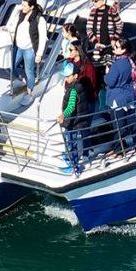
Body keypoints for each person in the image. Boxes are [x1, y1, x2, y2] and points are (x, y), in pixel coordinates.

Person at [55, 46, 95, 175]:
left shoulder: (72, 90)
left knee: (71, 143)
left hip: (73, 122)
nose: (66, 78)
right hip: (78, 120)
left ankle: (74, 167)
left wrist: (63, 115)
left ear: (75, 75)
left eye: (68, 76)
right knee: (70, 143)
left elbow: (71, 107)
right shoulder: (79, 87)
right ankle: (72, 162)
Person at [104, 37, 136, 156]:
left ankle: (119, 149)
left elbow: (110, 82)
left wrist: (106, 73)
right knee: (132, 121)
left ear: (123, 50)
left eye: (116, 47)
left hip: (118, 98)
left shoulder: (116, 65)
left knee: (118, 125)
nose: (114, 49)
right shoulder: (130, 62)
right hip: (129, 96)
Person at [5, 0, 48, 94]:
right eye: (22, 5)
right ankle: (19, 79)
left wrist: (39, 54)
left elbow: (42, 38)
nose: (22, 7)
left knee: (29, 71)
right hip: (18, 46)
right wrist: (6, 28)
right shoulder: (21, 14)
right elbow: (15, 26)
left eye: (24, 5)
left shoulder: (39, 20)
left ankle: (30, 90)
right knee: (11, 65)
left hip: (29, 49)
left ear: (31, 7)